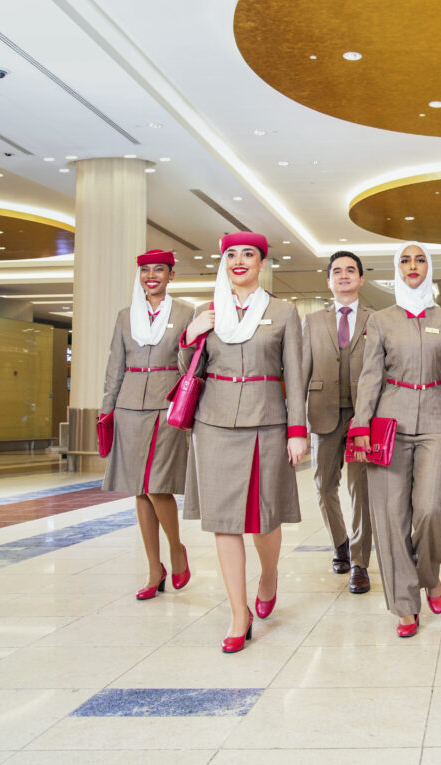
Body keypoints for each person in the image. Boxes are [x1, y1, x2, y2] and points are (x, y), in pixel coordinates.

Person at [180, 232, 307, 652]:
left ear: (261, 262)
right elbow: (188, 370)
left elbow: (295, 376)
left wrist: (296, 430)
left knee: (264, 517)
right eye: (231, 254)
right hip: (213, 423)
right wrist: (190, 336)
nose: (238, 261)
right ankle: (239, 613)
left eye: (247, 254)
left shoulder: (284, 312)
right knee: (224, 520)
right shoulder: (207, 310)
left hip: (267, 421)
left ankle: (268, 576)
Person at [350, 242, 441, 638]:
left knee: (431, 511)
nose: (413, 265)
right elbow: (370, 376)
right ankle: (405, 605)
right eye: (405, 260)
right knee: (391, 518)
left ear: (429, 266)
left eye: (420, 259)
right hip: (389, 423)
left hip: (438, 419)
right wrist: (362, 424)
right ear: (396, 269)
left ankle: (430, 575)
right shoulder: (382, 320)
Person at [100, 248, 193, 600]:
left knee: (157, 486)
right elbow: (115, 366)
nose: (151, 276)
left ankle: (176, 548)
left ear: (172, 275)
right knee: (139, 489)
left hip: (166, 407)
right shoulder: (126, 316)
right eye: (145, 271)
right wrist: (106, 410)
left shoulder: (186, 313)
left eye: (159, 270)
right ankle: (154, 569)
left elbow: (190, 363)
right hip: (128, 407)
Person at [303, 251, 374, 593]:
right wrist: (295, 426)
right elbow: (301, 371)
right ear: (329, 281)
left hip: (364, 417)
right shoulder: (313, 321)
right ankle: (340, 543)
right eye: (337, 271)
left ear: (361, 279)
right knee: (323, 486)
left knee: (362, 490)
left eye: (350, 271)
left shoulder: (377, 320)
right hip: (322, 413)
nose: (344, 276)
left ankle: (360, 562)